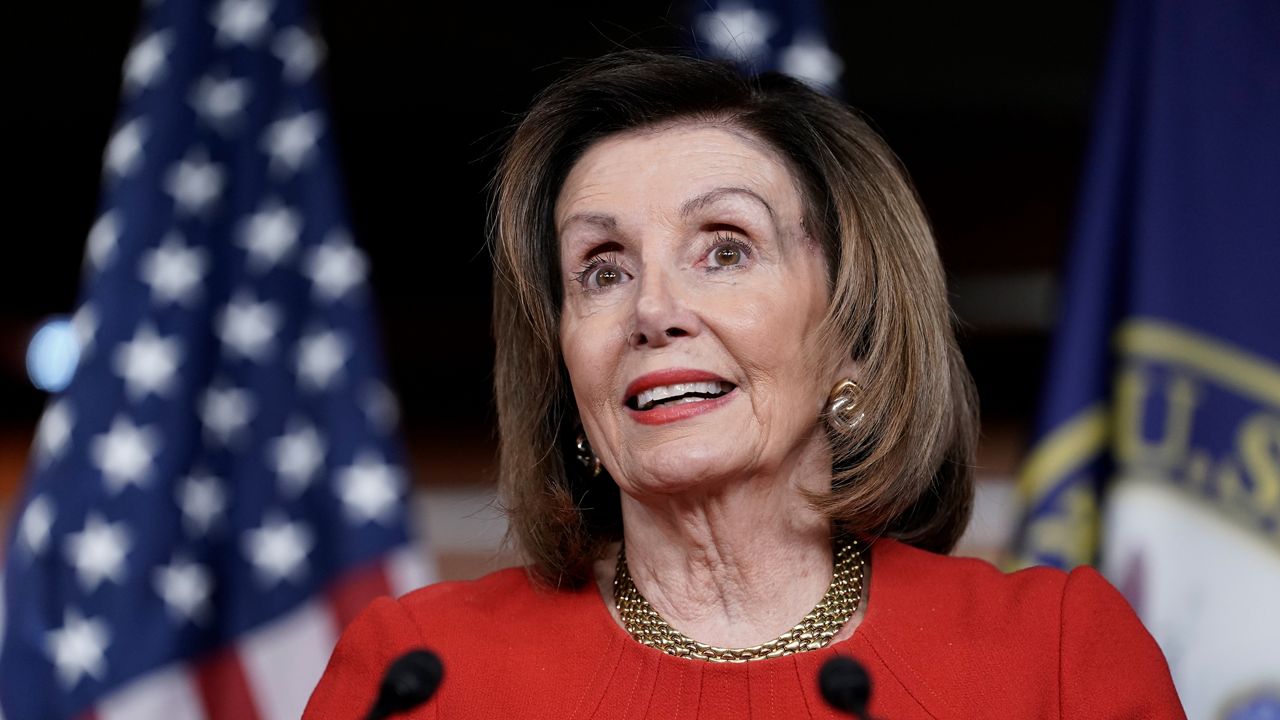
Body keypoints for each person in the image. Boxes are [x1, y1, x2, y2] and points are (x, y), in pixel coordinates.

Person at [304, 51, 1184, 718]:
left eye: (726, 249)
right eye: (602, 271)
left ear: (853, 332)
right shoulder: (425, 673)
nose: (655, 310)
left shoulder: (1055, 658)